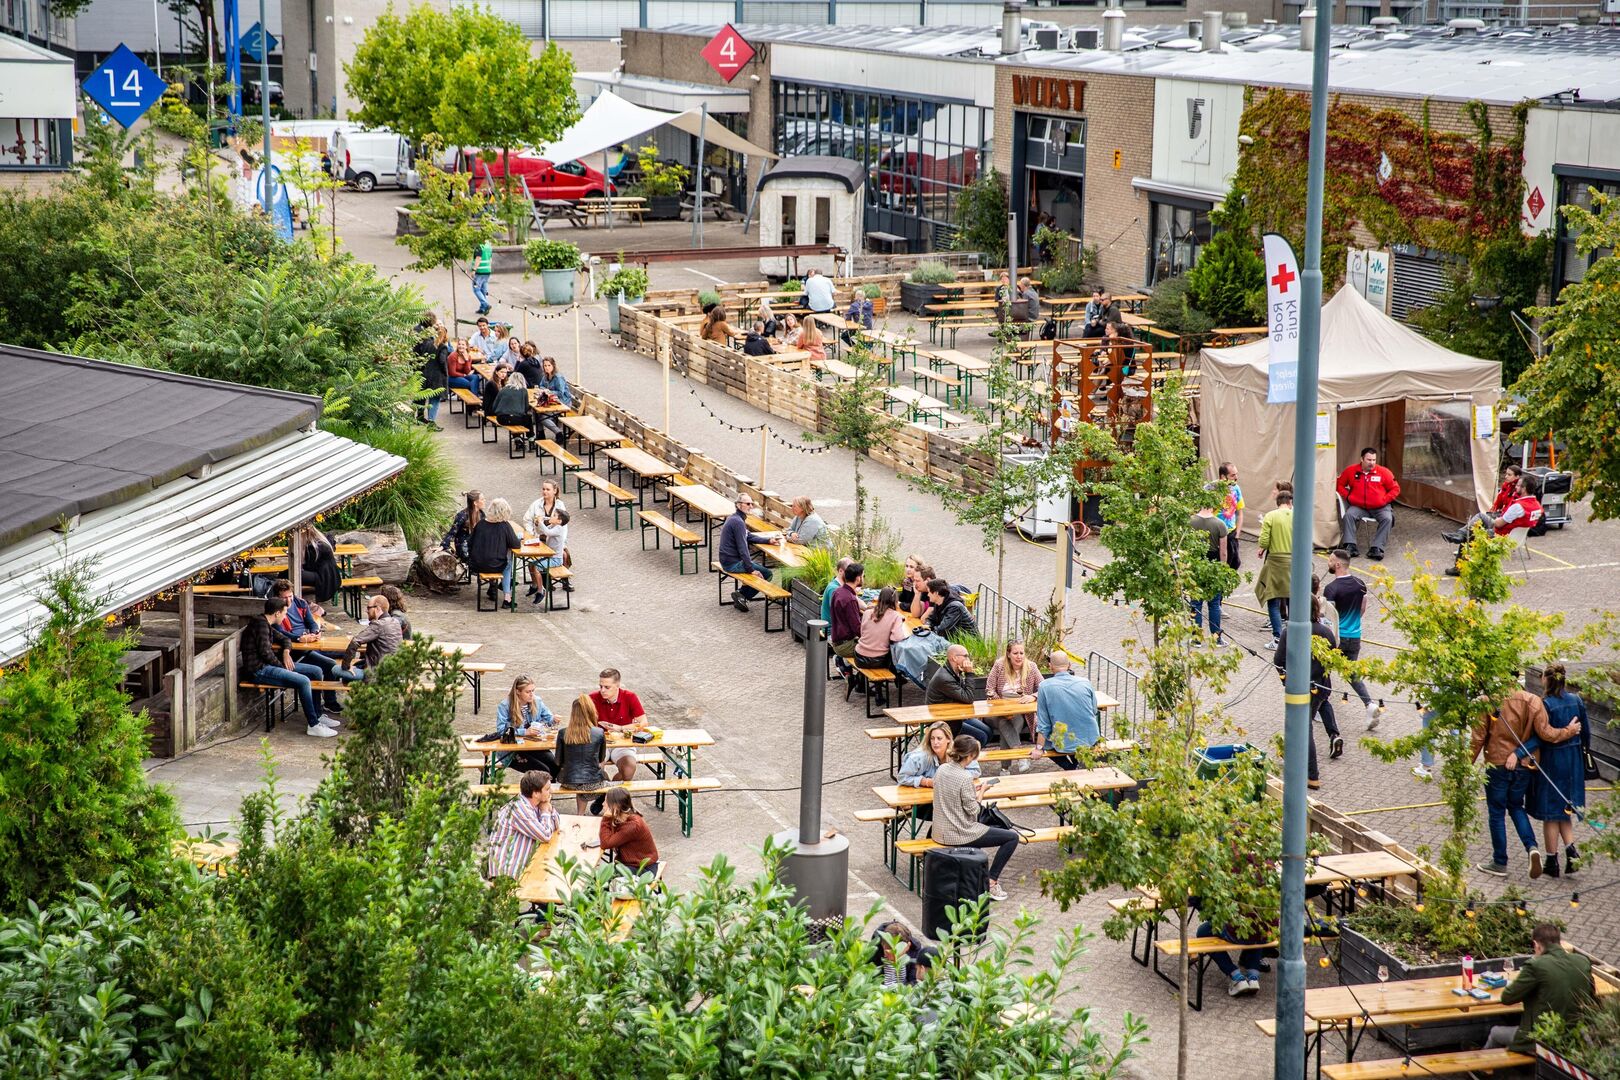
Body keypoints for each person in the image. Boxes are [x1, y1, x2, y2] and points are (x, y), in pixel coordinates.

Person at [1470, 676, 1554, 879]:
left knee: (1497, 813)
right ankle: (1532, 847)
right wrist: (1518, 753)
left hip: (1497, 763)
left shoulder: (1488, 701)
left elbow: (1478, 737)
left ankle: (1500, 862)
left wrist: (1466, 765)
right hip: (1523, 765)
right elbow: (1543, 734)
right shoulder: (1532, 700)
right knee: (1516, 806)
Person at [1484, 923, 1595, 1054]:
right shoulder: (1582, 961)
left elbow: (1507, 998)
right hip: (1573, 1034)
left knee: (1495, 1032)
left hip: (1541, 1038)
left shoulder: (1536, 965)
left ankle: (1482, 1068)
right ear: (1560, 942)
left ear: (1536, 945)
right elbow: (1591, 993)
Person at [931, 735, 1017, 902]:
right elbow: (974, 813)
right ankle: (991, 882)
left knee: (994, 832)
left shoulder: (941, 770)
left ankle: (978, 876)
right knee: (1012, 837)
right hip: (960, 833)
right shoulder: (965, 778)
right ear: (969, 756)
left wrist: (972, 790)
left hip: (939, 831)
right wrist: (982, 791)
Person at [243, 596, 336, 737]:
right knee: (303, 680)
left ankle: (317, 715)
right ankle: (313, 725)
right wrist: (282, 667)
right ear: (277, 613)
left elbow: (285, 638)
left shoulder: (265, 622)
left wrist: (286, 652)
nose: (286, 616)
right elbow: (265, 654)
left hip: (271, 665)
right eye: (285, 613)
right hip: (259, 670)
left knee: (316, 671)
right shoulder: (260, 625)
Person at [1530, 664, 1589, 878]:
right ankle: (1571, 851)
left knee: (1551, 813)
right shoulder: (1576, 701)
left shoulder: (1545, 705)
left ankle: (1551, 860)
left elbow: (1541, 735)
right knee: (1565, 808)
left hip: (1553, 760)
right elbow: (1586, 734)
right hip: (1573, 760)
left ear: (1546, 680)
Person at [267, 578, 359, 715]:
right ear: (277, 597)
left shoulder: (300, 603)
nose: (288, 601)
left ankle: (329, 701)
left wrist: (315, 632)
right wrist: (299, 638)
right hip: (296, 651)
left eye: (290, 596)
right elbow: (280, 633)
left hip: (308, 646)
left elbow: (311, 622)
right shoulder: (277, 611)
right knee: (324, 665)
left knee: (337, 657)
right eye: (284, 598)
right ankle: (320, 710)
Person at [1273, 597, 1336, 790]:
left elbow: (1278, 660)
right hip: (1321, 687)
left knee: (1303, 727)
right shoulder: (1326, 632)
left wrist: (1286, 680)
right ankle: (1290, 754)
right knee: (1297, 723)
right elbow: (1333, 658)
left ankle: (1312, 775)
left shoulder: (1289, 632)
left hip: (1301, 688)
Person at [1322, 550, 1384, 729]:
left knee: (1321, 670)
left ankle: (1319, 705)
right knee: (1352, 674)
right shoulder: (1361, 584)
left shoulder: (1331, 589)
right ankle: (1369, 704)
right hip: (1355, 637)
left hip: (1337, 639)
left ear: (1338, 565)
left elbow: (1328, 618)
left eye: (1331, 560)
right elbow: (1363, 608)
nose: (1329, 563)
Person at [1444, 474, 1544, 577]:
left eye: (1518, 485)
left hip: (1502, 537)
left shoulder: (1518, 506)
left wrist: (1495, 518)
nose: (1516, 487)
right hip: (1519, 539)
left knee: (1472, 532)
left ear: (1524, 489)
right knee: (1478, 521)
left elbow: (1498, 524)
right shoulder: (1537, 506)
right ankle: (1460, 534)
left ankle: (1459, 566)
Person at [484, 770, 561, 880]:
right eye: (547, 789)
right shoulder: (519, 809)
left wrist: (548, 807)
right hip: (505, 873)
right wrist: (545, 811)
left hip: (517, 867)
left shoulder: (534, 803)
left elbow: (556, 823)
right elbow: (545, 835)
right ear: (535, 793)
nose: (551, 791)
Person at [1030, 650, 1099, 770]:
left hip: (1064, 743)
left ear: (1050, 666)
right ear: (1069, 665)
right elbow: (1093, 710)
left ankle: (1071, 768)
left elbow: (1044, 724)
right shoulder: (1086, 682)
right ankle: (1078, 766)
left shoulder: (1044, 687)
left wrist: (1038, 749)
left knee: (1046, 743)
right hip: (1090, 739)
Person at [986, 641, 1043, 772]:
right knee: (1003, 721)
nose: (1019, 656)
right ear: (1008, 654)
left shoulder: (1031, 667)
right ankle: (1020, 757)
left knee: (1008, 724)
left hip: (1019, 712)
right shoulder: (999, 665)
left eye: (1021, 653)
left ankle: (1004, 769)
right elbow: (989, 689)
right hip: (997, 712)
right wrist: (1002, 707)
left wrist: (1033, 696)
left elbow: (1044, 688)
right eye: (1015, 653)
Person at [1335, 447, 1400, 560]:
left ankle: (1377, 548)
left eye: (1374, 460)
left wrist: (1384, 500)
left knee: (1388, 519)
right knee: (1349, 515)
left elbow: (1395, 489)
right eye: (1369, 460)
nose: (1372, 463)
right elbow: (1338, 484)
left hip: (1380, 507)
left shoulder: (1384, 472)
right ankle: (1350, 545)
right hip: (1359, 506)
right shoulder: (1351, 471)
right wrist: (1348, 495)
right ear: (1361, 459)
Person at [926, 643, 993, 746]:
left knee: (988, 731)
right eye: (965, 656)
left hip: (956, 716)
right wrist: (969, 674)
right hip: (943, 721)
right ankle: (964, 758)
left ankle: (968, 756)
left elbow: (965, 696)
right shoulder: (944, 678)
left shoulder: (954, 672)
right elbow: (968, 698)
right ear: (954, 658)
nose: (968, 659)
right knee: (981, 737)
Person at [717, 492, 774, 612]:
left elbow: (749, 537)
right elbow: (743, 549)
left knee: (758, 568)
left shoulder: (734, 518)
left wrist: (768, 540)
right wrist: (751, 570)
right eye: (748, 504)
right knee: (767, 573)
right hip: (732, 563)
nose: (751, 506)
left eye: (752, 504)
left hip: (727, 560)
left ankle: (741, 594)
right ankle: (743, 595)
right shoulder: (738, 522)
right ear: (739, 505)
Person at [590, 668, 646, 786]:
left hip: (622, 742)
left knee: (629, 767)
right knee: (596, 768)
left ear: (617, 686)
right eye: (600, 686)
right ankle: (606, 794)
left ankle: (612, 792)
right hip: (600, 742)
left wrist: (620, 728)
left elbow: (643, 723)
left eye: (607, 687)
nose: (602, 690)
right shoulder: (592, 698)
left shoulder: (629, 697)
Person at [494, 675, 558, 776]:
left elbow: (549, 719)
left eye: (533, 691)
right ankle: (535, 790)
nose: (531, 694)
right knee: (543, 771)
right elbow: (501, 731)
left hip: (533, 746)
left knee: (555, 766)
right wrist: (525, 732)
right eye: (528, 692)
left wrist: (554, 719)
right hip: (513, 751)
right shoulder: (505, 705)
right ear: (518, 691)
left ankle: (547, 791)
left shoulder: (537, 701)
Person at [587, 787, 660, 876]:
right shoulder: (622, 817)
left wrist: (606, 818)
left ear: (615, 806)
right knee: (600, 875)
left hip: (642, 868)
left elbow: (605, 843)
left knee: (599, 878)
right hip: (631, 864)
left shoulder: (632, 825)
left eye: (605, 802)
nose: (602, 804)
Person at [1256, 486, 1295, 649]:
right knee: (1292, 598)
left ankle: (1277, 637)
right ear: (1290, 502)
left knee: (1273, 598)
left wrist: (1262, 548)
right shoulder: (1298, 515)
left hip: (1275, 561)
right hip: (1294, 560)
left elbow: (1264, 541)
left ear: (1278, 502)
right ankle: (1294, 635)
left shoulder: (1270, 516)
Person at [557, 694, 609, 816]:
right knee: (605, 777)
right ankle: (591, 808)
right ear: (591, 711)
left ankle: (581, 814)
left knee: (582, 781)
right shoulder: (599, 732)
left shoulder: (563, 733)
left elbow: (558, 761)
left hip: (567, 781)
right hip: (592, 782)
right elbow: (601, 759)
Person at [468, 497, 523, 607]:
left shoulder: (480, 524)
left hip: (477, 565)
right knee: (508, 562)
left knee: (503, 558)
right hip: (496, 565)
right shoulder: (504, 525)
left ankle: (497, 588)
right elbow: (515, 544)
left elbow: (471, 543)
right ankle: (507, 597)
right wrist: (518, 537)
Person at [855, 586, 910, 696]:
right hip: (878, 660)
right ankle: (898, 678)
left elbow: (863, 632)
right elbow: (897, 638)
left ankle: (868, 685)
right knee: (892, 652)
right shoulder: (895, 616)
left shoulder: (867, 612)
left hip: (859, 657)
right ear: (894, 600)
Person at [523, 479, 569, 606]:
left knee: (565, 554)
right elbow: (527, 519)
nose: (544, 492)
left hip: (555, 541)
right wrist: (532, 534)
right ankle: (535, 585)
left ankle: (564, 580)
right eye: (543, 489)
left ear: (555, 491)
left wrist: (563, 543)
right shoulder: (536, 504)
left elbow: (563, 527)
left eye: (548, 489)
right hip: (540, 538)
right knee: (531, 561)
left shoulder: (560, 506)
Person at [1188, 503, 1228, 645]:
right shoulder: (1220, 524)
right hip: (1214, 565)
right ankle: (1216, 637)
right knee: (1214, 604)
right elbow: (1223, 551)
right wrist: (1223, 569)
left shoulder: (1191, 521)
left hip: (1196, 564)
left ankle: (1196, 638)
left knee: (1195, 603)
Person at [339, 594, 403, 675]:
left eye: (368, 607)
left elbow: (355, 641)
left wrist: (346, 666)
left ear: (377, 608)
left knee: (335, 669)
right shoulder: (395, 622)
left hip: (377, 673)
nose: (366, 611)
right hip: (394, 670)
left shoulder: (378, 625)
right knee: (357, 664)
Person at [870, 921, 936, 986]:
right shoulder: (874, 950)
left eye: (896, 953)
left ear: (907, 946)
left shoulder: (916, 953)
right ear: (882, 944)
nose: (891, 958)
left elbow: (914, 980)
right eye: (887, 952)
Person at [829, 561, 865, 674]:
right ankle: (861, 682)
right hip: (845, 645)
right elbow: (857, 628)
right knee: (875, 651)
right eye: (863, 576)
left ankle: (858, 679)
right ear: (858, 578)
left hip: (837, 640)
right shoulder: (850, 599)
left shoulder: (838, 592)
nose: (863, 578)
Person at [296, 526, 342, 606]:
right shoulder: (321, 541)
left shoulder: (314, 547)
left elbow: (309, 566)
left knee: (293, 574)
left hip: (324, 578)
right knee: (291, 573)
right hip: (330, 575)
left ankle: (295, 599)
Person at [492, 371, 535, 449]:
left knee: (514, 419)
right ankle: (531, 439)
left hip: (502, 419)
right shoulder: (523, 391)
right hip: (516, 418)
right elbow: (525, 408)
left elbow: (494, 406)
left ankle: (517, 439)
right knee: (527, 418)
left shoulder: (503, 389)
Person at [417, 324, 448, 430]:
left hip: (426, 374)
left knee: (424, 396)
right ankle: (431, 421)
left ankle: (420, 416)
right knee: (434, 399)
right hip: (437, 377)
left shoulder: (427, 344)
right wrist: (445, 372)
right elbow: (442, 360)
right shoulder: (442, 347)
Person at [441, 490, 484, 564]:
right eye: (482, 499)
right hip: (464, 547)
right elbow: (452, 532)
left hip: (475, 545)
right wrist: (443, 545)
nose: (484, 501)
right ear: (475, 503)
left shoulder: (481, 514)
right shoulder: (462, 515)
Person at [1217, 462, 1245, 570]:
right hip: (1217, 533)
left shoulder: (1236, 488)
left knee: (1234, 564)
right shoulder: (1211, 489)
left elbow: (1240, 513)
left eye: (1236, 474)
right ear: (1223, 477)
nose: (1236, 478)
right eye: (1233, 475)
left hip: (1231, 533)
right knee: (1220, 565)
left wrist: (1237, 534)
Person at [821, 556, 852, 629]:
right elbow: (838, 613)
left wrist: (867, 607)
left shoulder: (842, 586)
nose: (852, 575)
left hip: (839, 628)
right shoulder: (834, 589)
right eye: (850, 572)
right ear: (841, 571)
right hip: (832, 630)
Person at [471, 237, 494, 315]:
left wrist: (474, 270)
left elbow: (478, 258)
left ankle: (485, 305)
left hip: (479, 271)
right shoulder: (489, 246)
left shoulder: (479, 247)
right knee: (483, 290)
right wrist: (489, 269)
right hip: (487, 271)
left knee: (476, 289)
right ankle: (482, 308)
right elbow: (490, 259)